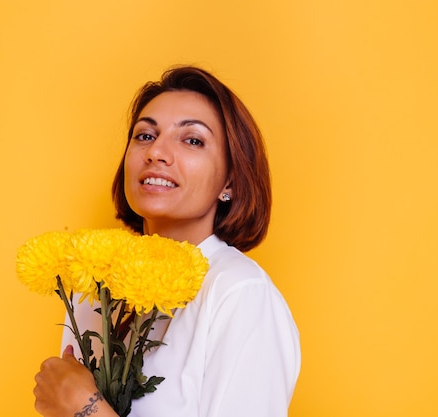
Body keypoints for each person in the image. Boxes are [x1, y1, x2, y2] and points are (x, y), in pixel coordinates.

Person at [34, 66, 301, 417]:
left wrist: (84, 408)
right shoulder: (95, 289)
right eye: (145, 135)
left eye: (192, 140)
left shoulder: (238, 293)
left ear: (230, 183)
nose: (157, 152)